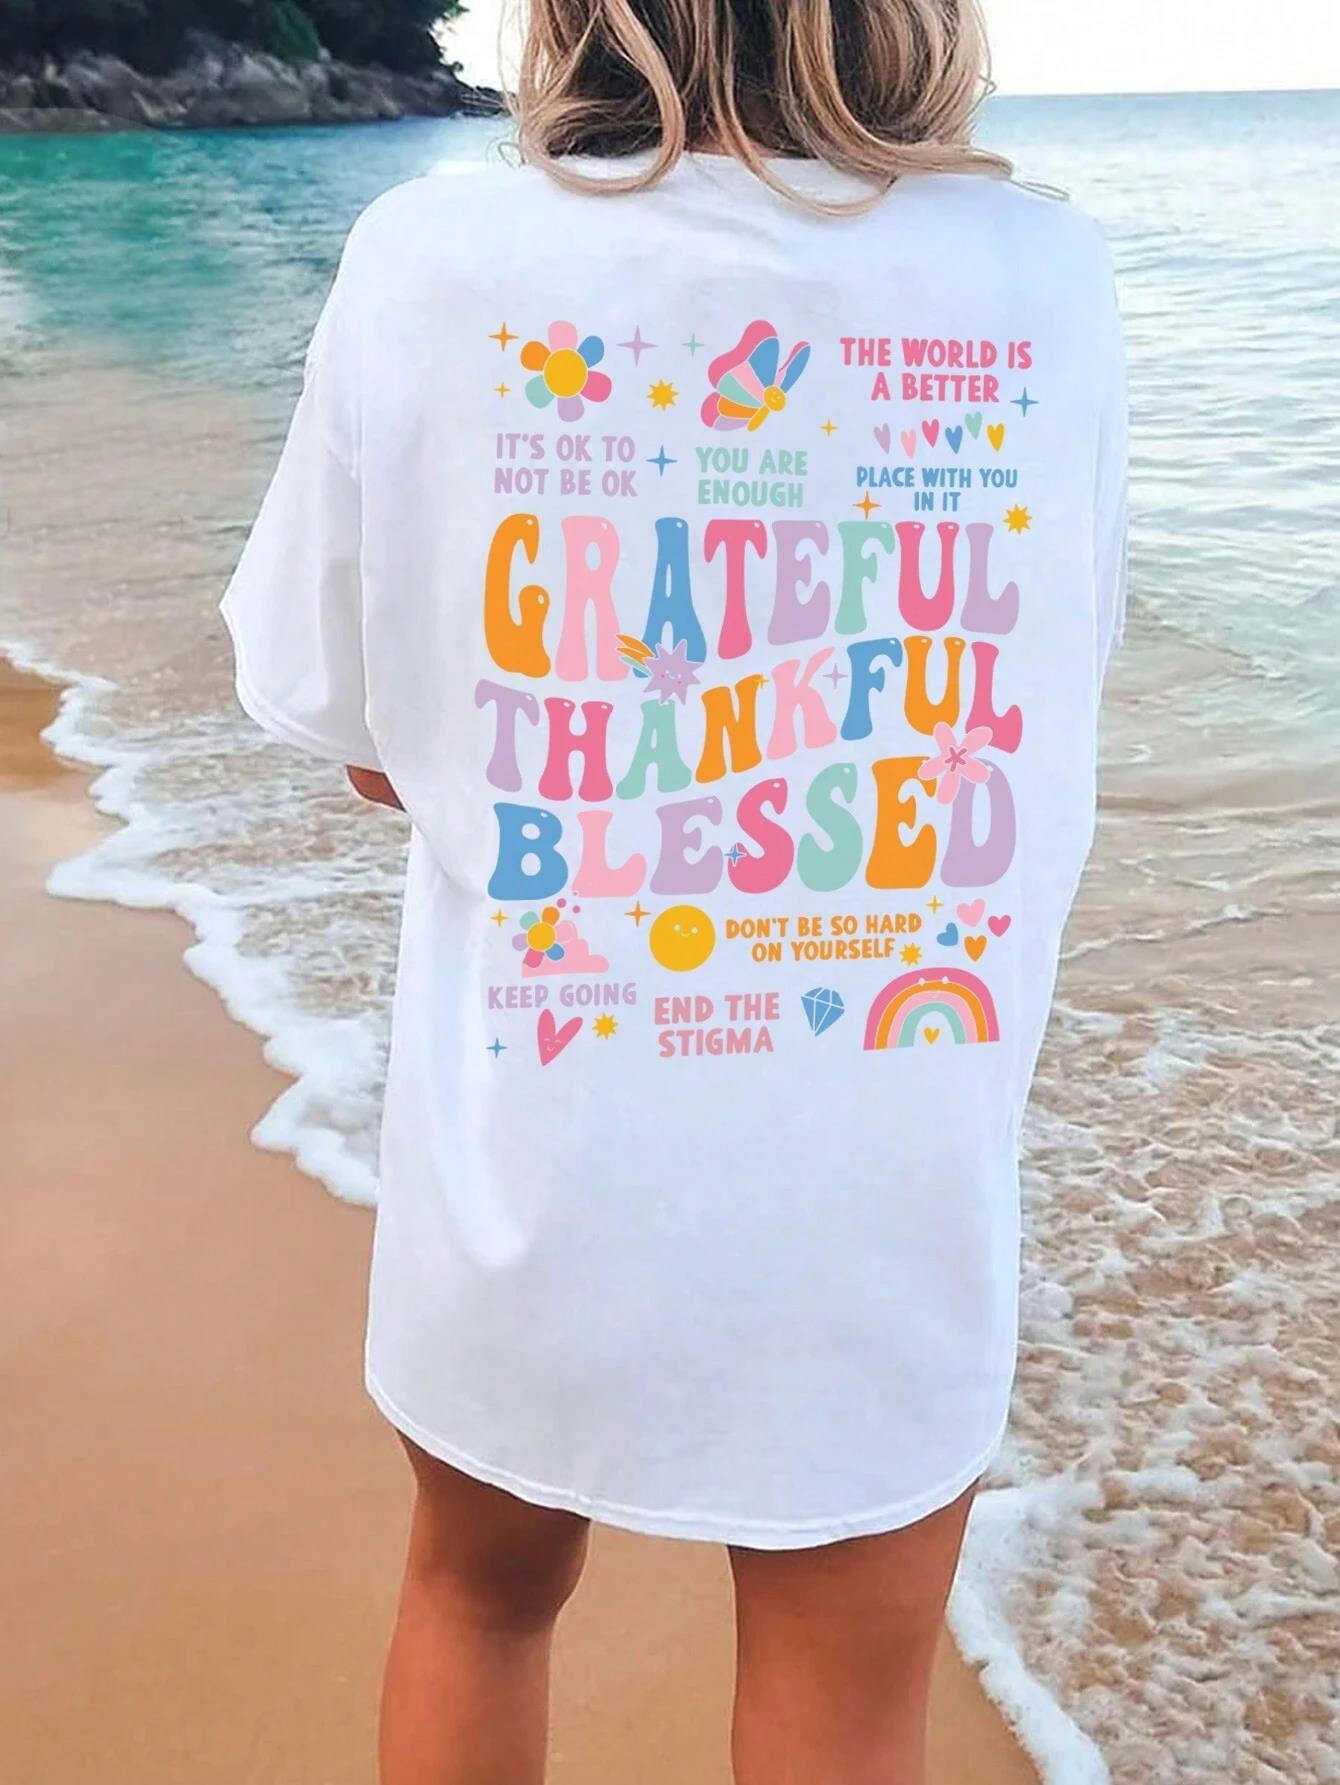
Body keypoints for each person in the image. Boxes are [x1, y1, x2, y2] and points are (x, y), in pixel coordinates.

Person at [221, 0, 1128, 1776]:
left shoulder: (432, 259)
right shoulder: (1044, 277)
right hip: (884, 1189)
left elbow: (352, 724)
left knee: (480, 1596)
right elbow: (1040, 692)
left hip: (535, 1161)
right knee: (846, 1692)